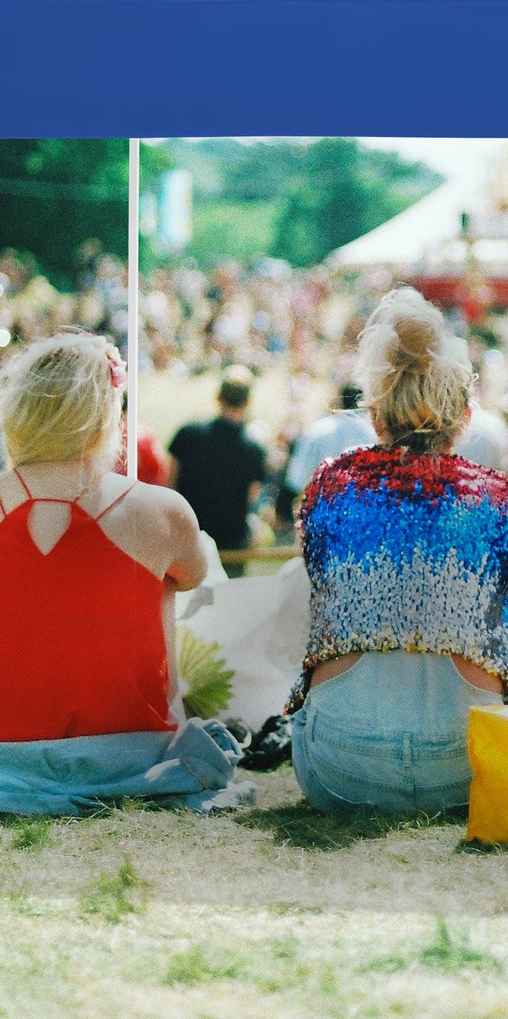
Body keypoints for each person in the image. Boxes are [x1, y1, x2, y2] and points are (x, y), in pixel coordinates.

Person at [287, 287, 508, 817]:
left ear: (376, 413)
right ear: (463, 416)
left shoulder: (331, 485)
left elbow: (318, 568)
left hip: (341, 765)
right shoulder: (498, 497)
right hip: (466, 766)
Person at [0, 331, 246, 813]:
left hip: (5, 748)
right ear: (105, 416)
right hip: (128, 754)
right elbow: (196, 573)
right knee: (167, 574)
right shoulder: (161, 511)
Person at [167, 365, 268, 568]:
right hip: (232, 545)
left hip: (190, 538)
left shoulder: (187, 434)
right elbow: (252, 496)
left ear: (218, 397)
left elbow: (170, 484)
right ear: (248, 402)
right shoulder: (254, 449)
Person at [282, 382, 377, 504]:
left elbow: (297, 480)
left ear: (339, 401)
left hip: (320, 508)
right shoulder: (374, 435)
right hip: (362, 510)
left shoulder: (318, 430)